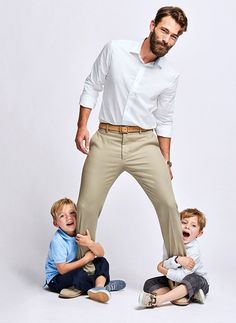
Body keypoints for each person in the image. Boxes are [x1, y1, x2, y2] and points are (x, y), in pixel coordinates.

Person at [75, 6, 188, 273]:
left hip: (144, 144)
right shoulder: (115, 50)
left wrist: (166, 161)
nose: (167, 40)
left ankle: (178, 273)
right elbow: (92, 85)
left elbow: (164, 119)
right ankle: (84, 273)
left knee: (168, 204)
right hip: (106, 139)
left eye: (174, 37)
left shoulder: (169, 75)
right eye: (164, 31)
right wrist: (82, 126)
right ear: (152, 25)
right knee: (87, 205)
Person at [45, 198, 126, 302]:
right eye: (62, 216)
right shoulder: (58, 241)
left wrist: (90, 243)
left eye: (72, 213)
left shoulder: (80, 232)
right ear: (56, 223)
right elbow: (62, 269)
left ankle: (99, 288)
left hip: (76, 269)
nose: (68, 217)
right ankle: (103, 285)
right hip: (56, 278)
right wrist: (85, 260)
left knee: (102, 262)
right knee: (81, 274)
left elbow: (101, 253)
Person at [139, 208, 209, 307]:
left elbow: (182, 276)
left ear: (199, 233)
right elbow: (165, 264)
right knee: (149, 284)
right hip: (173, 281)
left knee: (193, 279)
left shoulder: (194, 250)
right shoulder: (170, 243)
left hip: (197, 282)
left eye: (193, 225)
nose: (187, 227)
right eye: (184, 222)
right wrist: (177, 260)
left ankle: (159, 300)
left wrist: (165, 271)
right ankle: (184, 295)